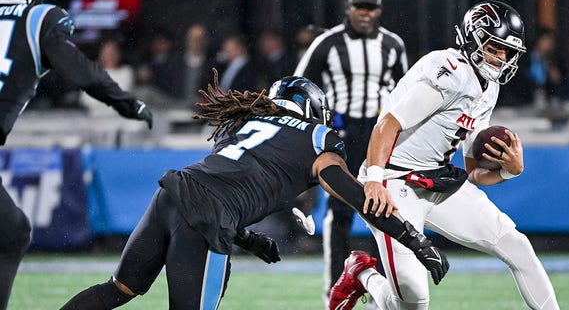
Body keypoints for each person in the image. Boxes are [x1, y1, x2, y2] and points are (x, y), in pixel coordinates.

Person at [59, 72, 449, 310]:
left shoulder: (244, 126)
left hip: (171, 194)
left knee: (119, 289)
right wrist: (414, 239)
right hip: (205, 220)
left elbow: (220, 188)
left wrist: (248, 238)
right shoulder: (318, 139)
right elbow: (363, 199)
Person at [329, 1, 560, 310]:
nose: (501, 58)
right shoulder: (448, 71)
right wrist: (373, 181)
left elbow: (472, 171)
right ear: (473, 38)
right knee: (414, 300)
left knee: (517, 246)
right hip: (393, 181)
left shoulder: (488, 86)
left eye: (506, 51)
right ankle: (364, 274)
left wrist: (509, 171)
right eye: (495, 47)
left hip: (435, 179)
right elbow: (386, 125)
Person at [0, 0, 153, 309]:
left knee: (11, 230)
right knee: (11, 233)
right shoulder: (37, 17)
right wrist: (126, 101)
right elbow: (77, 67)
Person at [293, 0, 408, 302]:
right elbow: (299, 86)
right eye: (360, 6)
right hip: (341, 134)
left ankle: (389, 287)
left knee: (388, 208)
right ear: (348, 7)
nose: (365, 13)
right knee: (339, 211)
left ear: (380, 10)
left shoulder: (393, 45)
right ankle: (334, 288)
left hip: (379, 135)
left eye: (371, 7)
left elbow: (406, 94)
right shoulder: (327, 43)